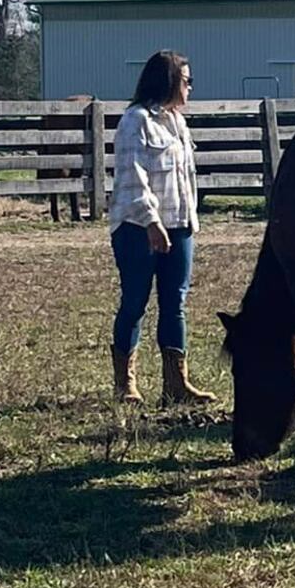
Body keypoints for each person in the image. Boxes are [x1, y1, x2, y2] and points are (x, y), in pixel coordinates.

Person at [109, 50, 215, 407]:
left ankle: (176, 384)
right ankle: (125, 383)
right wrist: (152, 222)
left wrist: (188, 222)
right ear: (168, 80)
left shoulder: (178, 123)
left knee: (176, 304)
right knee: (135, 302)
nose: (190, 87)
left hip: (180, 225)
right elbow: (132, 177)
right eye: (186, 80)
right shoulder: (135, 121)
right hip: (138, 229)